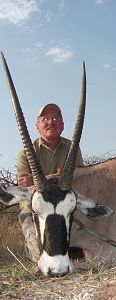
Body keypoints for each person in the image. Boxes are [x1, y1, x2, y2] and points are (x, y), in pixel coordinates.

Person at [17, 103, 84, 261]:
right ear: (38, 126)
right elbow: (25, 186)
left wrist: (42, 179)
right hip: (37, 205)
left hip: (64, 205)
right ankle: (33, 248)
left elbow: (81, 178)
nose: (50, 122)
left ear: (62, 125)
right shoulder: (25, 152)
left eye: (55, 118)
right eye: (45, 118)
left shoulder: (72, 147)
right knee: (39, 255)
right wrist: (56, 177)